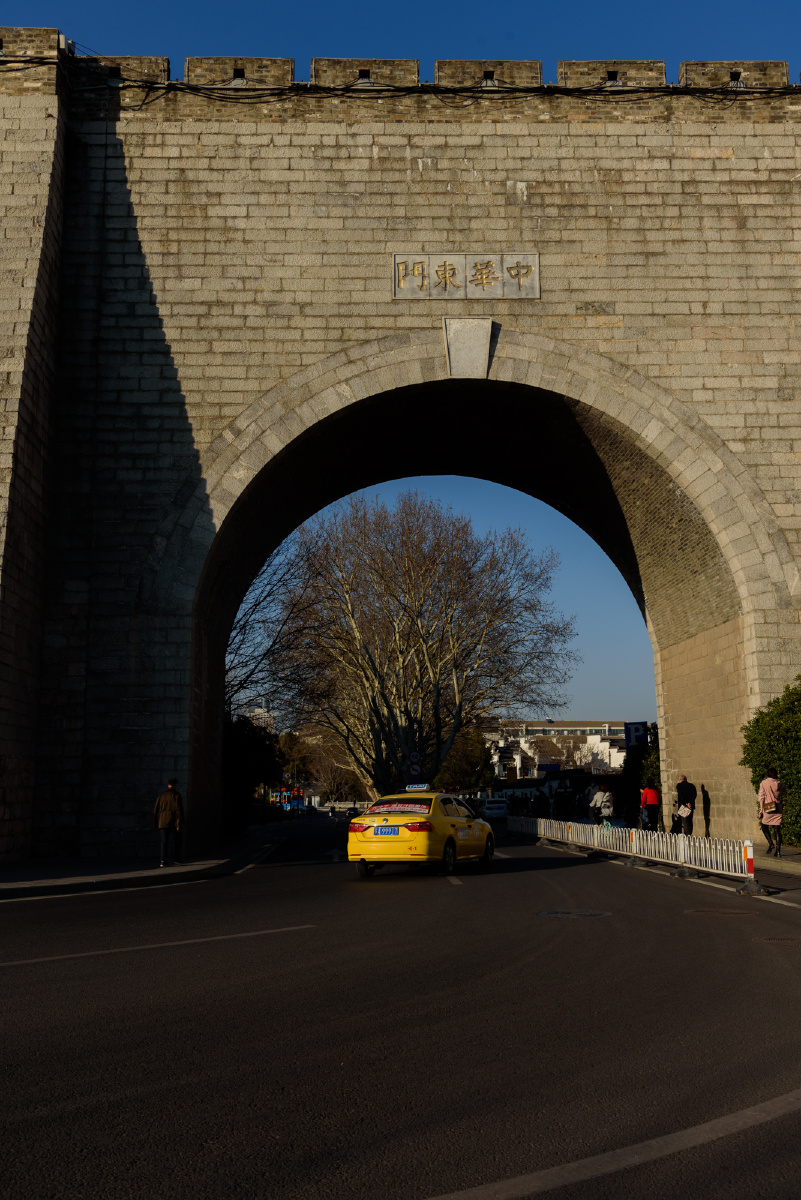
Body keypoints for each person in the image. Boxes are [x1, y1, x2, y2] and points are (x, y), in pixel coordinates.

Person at [154, 778, 184, 866]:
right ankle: (176, 859)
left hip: (162, 822)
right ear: (176, 786)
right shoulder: (176, 795)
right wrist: (179, 823)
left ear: (168, 785)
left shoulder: (161, 795)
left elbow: (156, 809)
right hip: (173, 822)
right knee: (177, 841)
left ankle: (163, 861)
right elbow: (178, 811)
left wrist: (157, 822)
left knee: (164, 842)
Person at [758, 767, 785, 857]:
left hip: (768, 807)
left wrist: (761, 810)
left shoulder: (764, 783)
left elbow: (761, 797)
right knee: (777, 830)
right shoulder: (780, 784)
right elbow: (782, 791)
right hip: (777, 808)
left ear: (768, 774)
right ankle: (778, 851)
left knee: (764, 826)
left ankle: (771, 843)